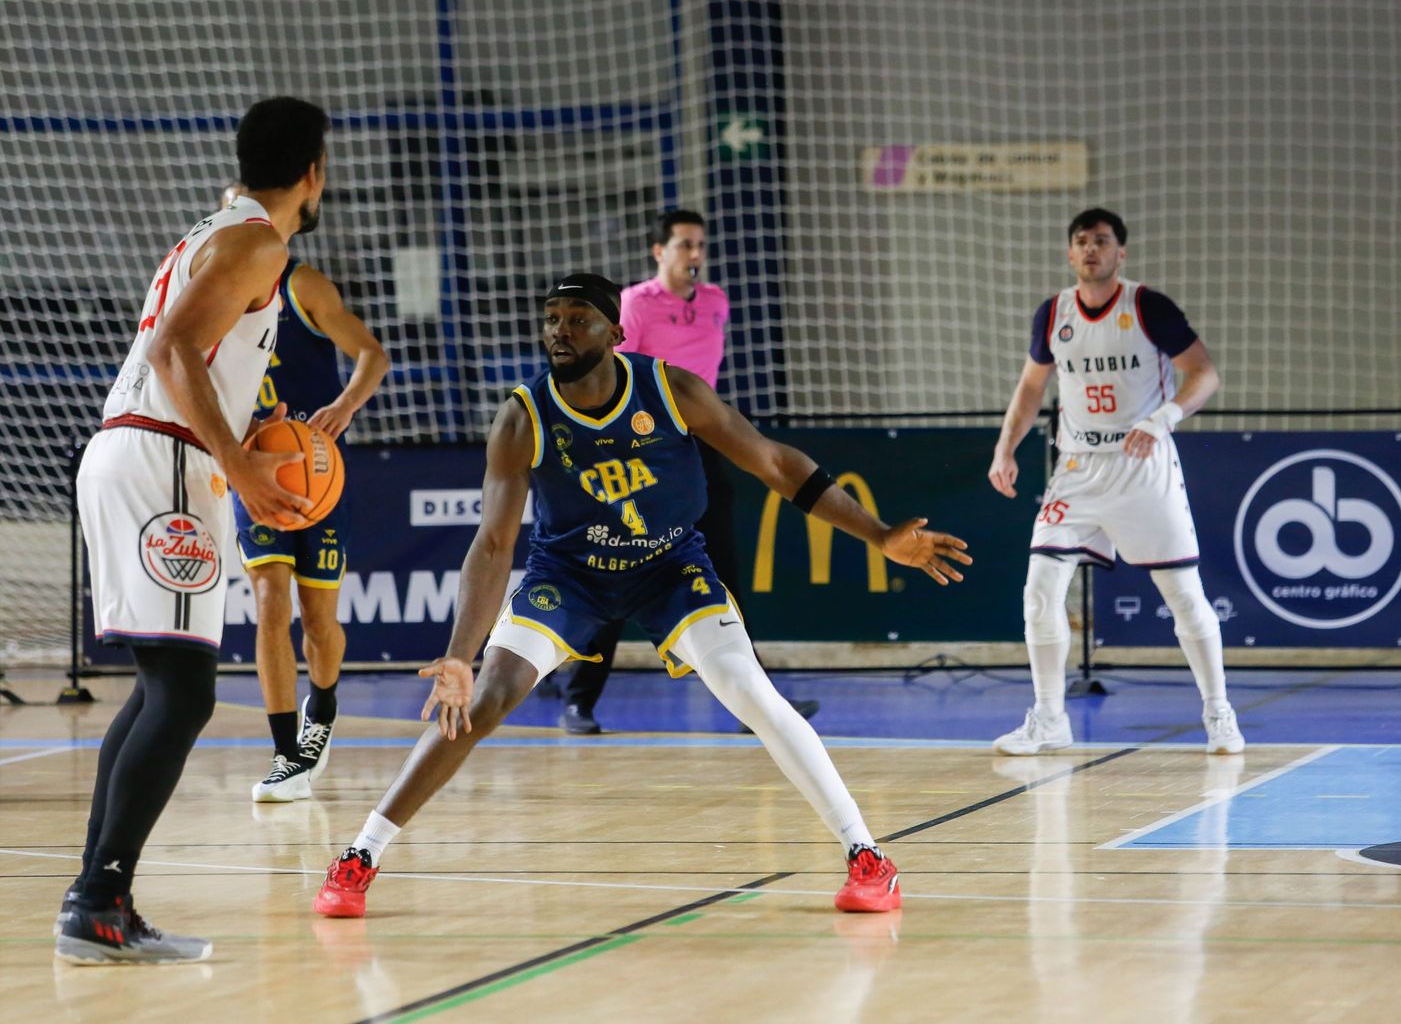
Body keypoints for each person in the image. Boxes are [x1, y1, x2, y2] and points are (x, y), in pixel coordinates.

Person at [313, 273, 970, 918]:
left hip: (669, 567)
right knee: (481, 700)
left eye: (577, 319)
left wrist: (879, 533)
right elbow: (492, 544)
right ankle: (359, 857)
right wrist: (461, 652)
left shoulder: (672, 388)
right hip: (569, 574)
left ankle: (868, 858)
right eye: (552, 319)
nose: (559, 332)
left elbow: (773, 462)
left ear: (616, 332)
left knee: (752, 693)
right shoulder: (523, 416)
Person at [58, 97, 329, 964]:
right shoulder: (258, 243)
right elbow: (176, 348)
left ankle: (100, 898)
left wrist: (247, 429)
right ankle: (99, 899)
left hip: (139, 451)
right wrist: (243, 466)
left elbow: (191, 353)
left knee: (155, 688)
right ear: (314, 171)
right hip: (163, 460)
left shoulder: (217, 232)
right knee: (185, 692)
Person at [988, 207, 1243, 757]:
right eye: (1081, 241)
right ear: (1069, 252)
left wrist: (1164, 417)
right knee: (1039, 591)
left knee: (1183, 594)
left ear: (1119, 252)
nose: (1090, 250)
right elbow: (1032, 387)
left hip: (1142, 466)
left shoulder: (1147, 305)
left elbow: (1206, 373)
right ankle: (1050, 718)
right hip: (1076, 469)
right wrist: (1005, 447)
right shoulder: (1053, 313)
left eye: (1101, 241)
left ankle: (1219, 712)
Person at [556, 209, 818, 733]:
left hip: (702, 447)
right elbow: (612, 378)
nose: (694, 255)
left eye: (700, 245)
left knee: (722, 576)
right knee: (615, 569)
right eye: (683, 245)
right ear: (659, 252)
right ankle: (577, 700)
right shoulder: (633, 304)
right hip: (641, 454)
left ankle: (755, 704)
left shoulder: (717, 302)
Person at [219, 182, 390, 802]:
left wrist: (344, 405)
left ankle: (323, 708)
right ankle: (286, 752)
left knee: (319, 620)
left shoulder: (303, 285)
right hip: (252, 469)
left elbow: (371, 355)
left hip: (313, 469)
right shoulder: (212, 288)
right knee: (269, 604)